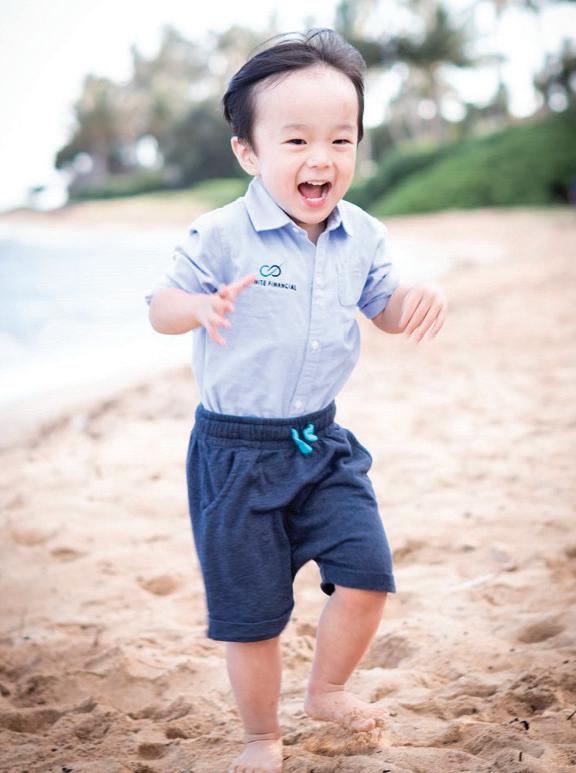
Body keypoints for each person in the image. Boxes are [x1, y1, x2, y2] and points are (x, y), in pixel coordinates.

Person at [145, 28, 446, 773]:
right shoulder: (222, 234)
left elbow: (383, 306)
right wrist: (199, 307)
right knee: (252, 618)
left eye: (341, 139)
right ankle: (261, 736)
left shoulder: (362, 235)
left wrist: (414, 299)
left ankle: (327, 690)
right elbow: (159, 304)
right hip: (234, 453)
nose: (322, 158)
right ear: (248, 152)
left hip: (320, 444)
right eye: (297, 140)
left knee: (368, 573)